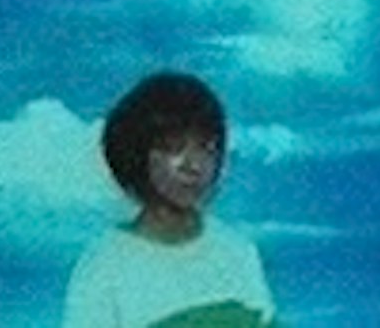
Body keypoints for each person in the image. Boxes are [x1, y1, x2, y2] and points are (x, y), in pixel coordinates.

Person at [61, 75, 277, 328]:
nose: (193, 165)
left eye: (206, 147)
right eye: (174, 147)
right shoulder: (106, 267)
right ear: (137, 154)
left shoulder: (238, 252)